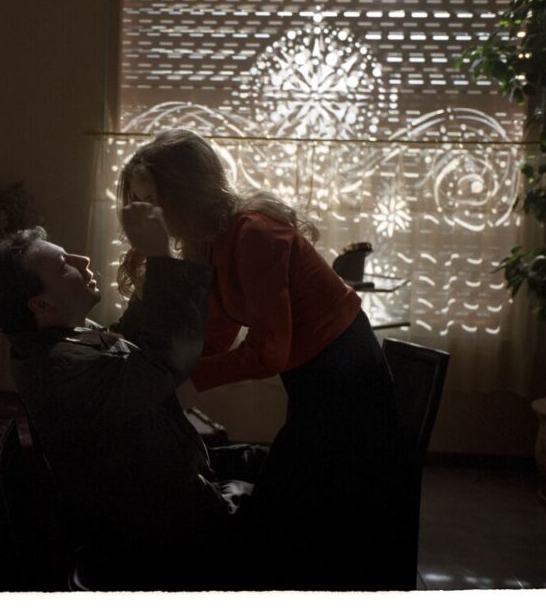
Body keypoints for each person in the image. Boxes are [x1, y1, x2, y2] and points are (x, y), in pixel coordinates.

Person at [116, 129, 406, 591]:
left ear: (186, 190)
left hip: (346, 378)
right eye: (137, 202)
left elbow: (271, 350)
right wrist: (170, 374)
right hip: (315, 380)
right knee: (292, 511)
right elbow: (218, 330)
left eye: (153, 200)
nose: (146, 214)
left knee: (295, 513)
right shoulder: (209, 241)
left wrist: (193, 383)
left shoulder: (254, 232)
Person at [0, 204, 261, 591]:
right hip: (159, 537)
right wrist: (160, 257)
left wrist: (154, 260)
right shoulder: (59, 369)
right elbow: (163, 362)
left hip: (165, 500)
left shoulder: (67, 337)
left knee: (278, 463)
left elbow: (133, 340)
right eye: (64, 265)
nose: (83, 260)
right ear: (42, 305)